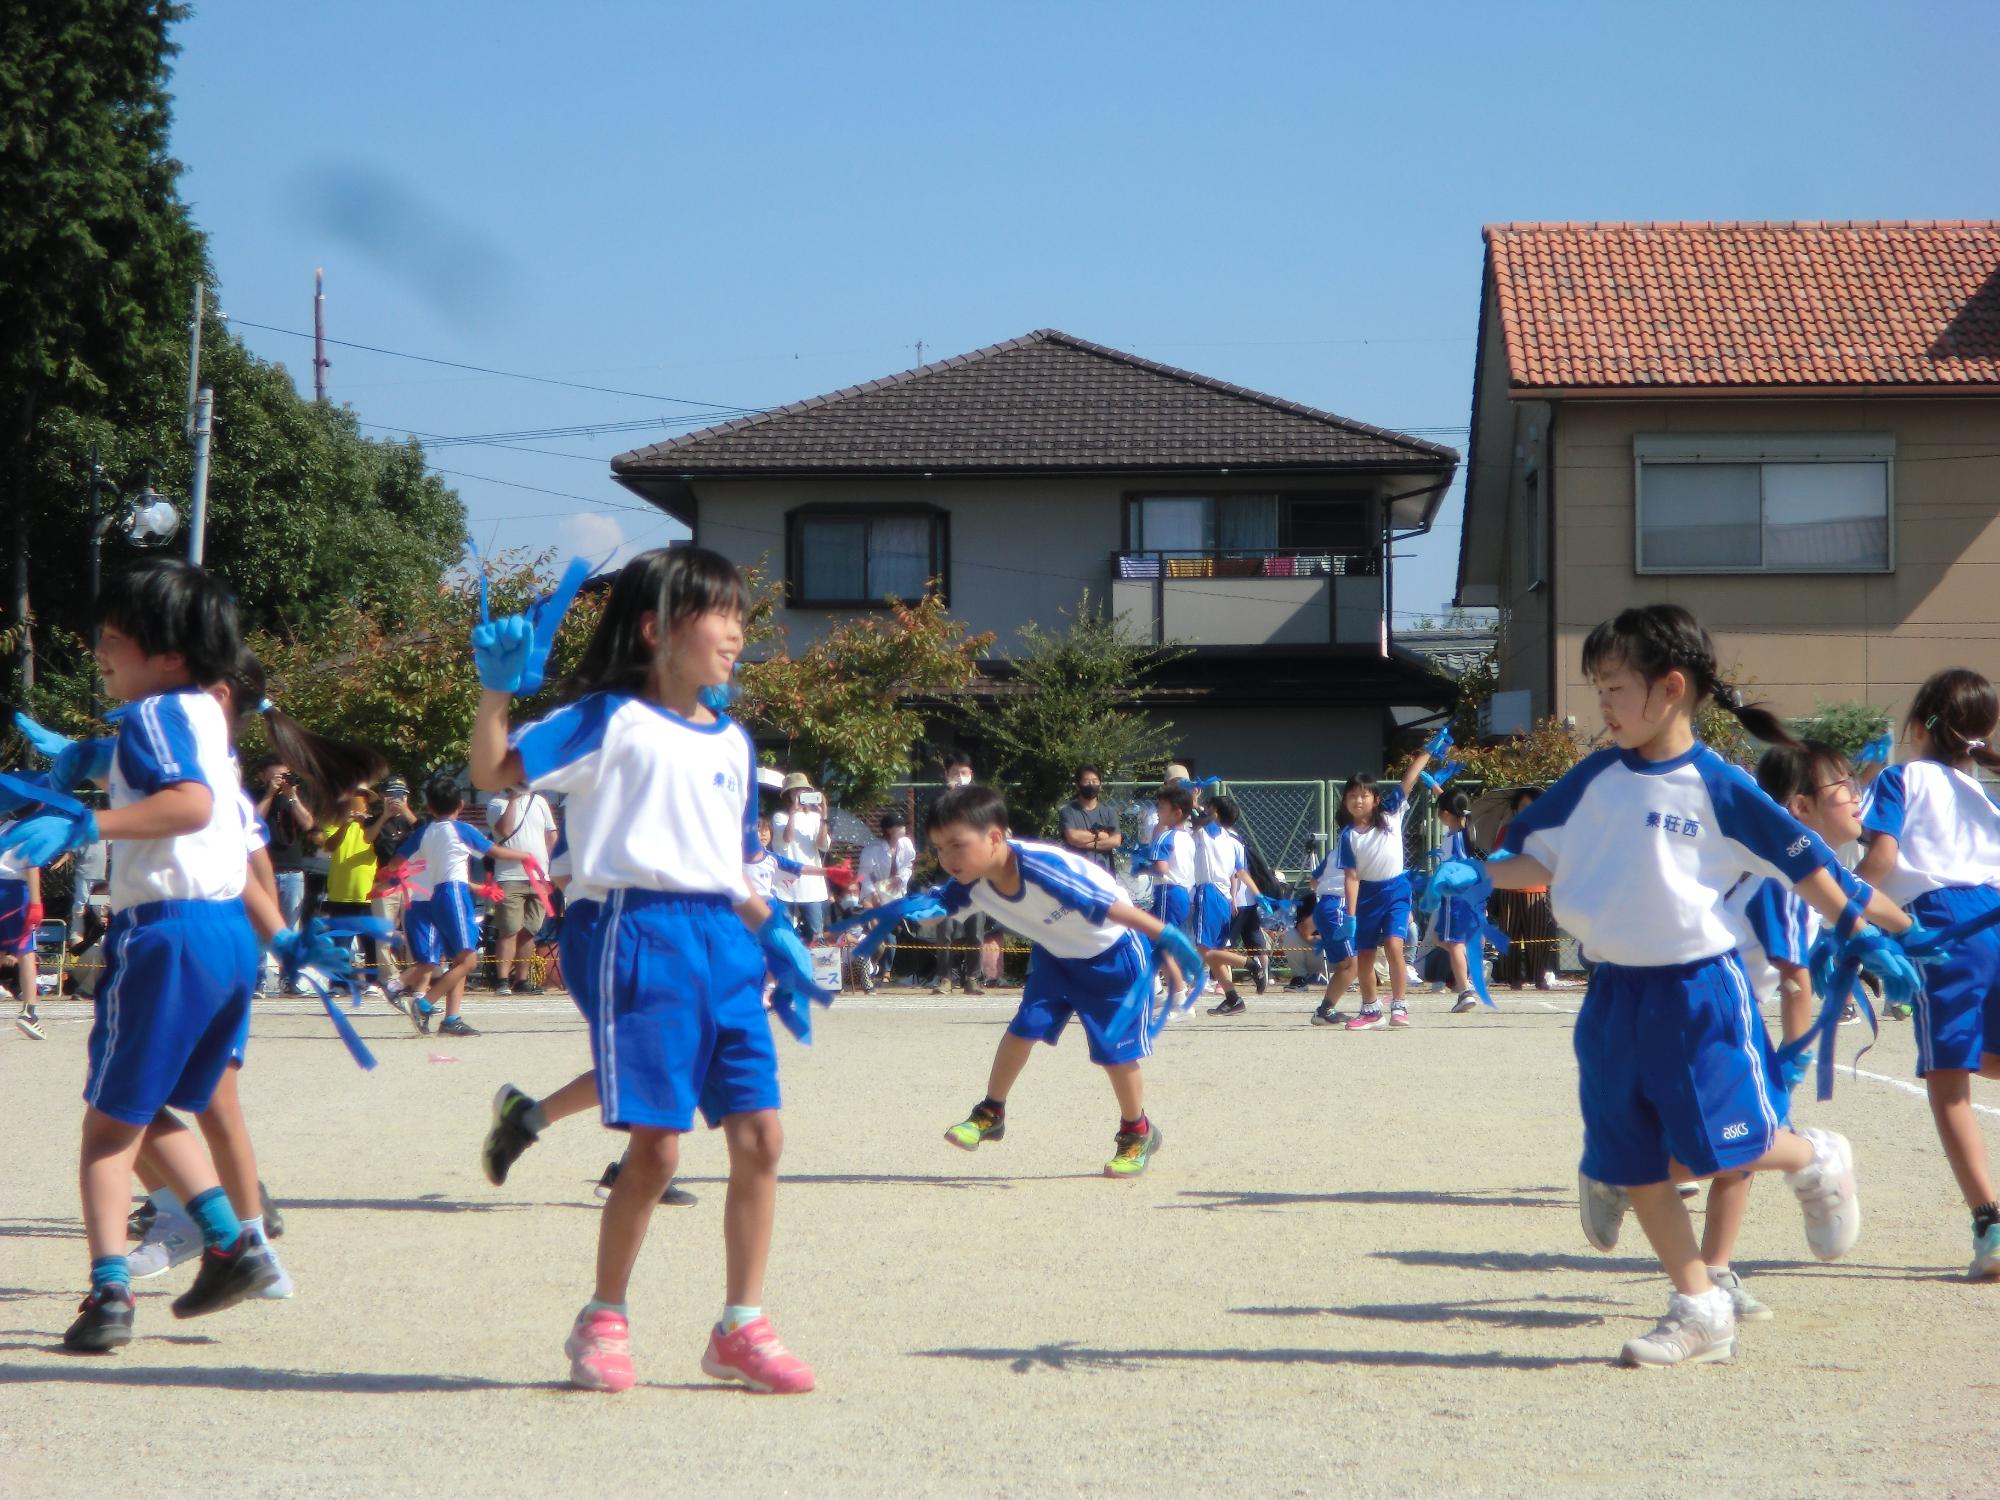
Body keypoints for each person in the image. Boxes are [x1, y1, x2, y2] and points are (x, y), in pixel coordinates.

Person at [1459, 603, 1913, 1367]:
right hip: (1612, 995)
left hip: (1699, 992)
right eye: (1597, 688)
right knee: (1630, 1157)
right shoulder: (1593, 777)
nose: (1600, 705)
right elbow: (1539, 862)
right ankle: (1700, 1306)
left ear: (1671, 689)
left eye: (1612, 688)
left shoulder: (1721, 786)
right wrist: (1476, 874)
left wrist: (1865, 933)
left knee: (1719, 1144)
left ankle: (1813, 1157)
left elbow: (1812, 869)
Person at [470, 544, 823, 1396]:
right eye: (721, 614)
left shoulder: (735, 742)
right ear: (655, 628)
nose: (738, 633)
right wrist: (495, 689)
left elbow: (727, 860)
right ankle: (602, 1318)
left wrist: (773, 931)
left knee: (761, 1137)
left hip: (723, 938)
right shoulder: (605, 718)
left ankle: (741, 1325)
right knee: (657, 1152)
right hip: (635, 929)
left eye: (743, 616)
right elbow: (492, 771)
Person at [6, 560, 289, 1351]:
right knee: (151, 1108)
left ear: (167, 655)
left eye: (114, 639)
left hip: (164, 930)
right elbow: (193, 783)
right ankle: (231, 1243)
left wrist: (86, 823)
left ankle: (109, 1296)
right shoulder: (201, 712)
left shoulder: (153, 713)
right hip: (223, 936)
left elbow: (187, 802)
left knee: (105, 1134)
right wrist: (90, 759)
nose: (99, 649)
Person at [919, 783, 1201, 1177]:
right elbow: (940, 904)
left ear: (995, 837)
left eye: (956, 845)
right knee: (1023, 1028)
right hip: (1056, 956)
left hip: (1112, 956)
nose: (947, 858)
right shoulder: (970, 879)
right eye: (939, 848)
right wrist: (907, 910)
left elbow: (1112, 908)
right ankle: (990, 1112)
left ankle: (1138, 1131)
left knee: (1114, 1054)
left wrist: (1165, 935)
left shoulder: (1041, 868)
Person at [1690, 740, 1868, 1323]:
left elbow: (1862, 908)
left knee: (1733, 1153)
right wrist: (1792, 1061)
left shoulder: (1796, 864)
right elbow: (1794, 982)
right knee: (1740, 1141)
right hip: (1716, 1011)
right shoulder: (1784, 876)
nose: (1856, 795)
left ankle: (1713, 1270)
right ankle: (1818, 1158)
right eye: (1842, 785)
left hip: (1700, 1004)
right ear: (1800, 808)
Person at [1854, 668, 2000, 1279]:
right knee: (1988, 1059)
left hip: (1945, 928)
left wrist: (1839, 896)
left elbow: (1882, 860)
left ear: (1918, 727)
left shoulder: (1901, 777)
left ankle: (1990, 1224)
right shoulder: (1982, 792)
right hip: (1994, 916)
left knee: (1947, 1084)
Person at [398, 777, 533, 1037]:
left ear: (428, 806)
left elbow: (396, 862)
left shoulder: (424, 832)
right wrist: (525, 856)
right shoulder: (461, 828)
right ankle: (424, 1003)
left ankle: (452, 1018)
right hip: (454, 893)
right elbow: (494, 851)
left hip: (437, 894)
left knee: (460, 959)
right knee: (469, 960)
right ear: (461, 804)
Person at [1336, 734, 1442, 1032]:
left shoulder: (1391, 811)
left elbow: (1408, 779)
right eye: (1352, 796)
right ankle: (1371, 1010)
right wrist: (1351, 915)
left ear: (1375, 798)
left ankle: (1399, 1004)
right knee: (1365, 954)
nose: (1358, 800)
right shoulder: (1348, 836)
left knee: (1395, 946)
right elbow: (1351, 877)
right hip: (1367, 895)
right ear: (1346, 801)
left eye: (1364, 795)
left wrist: (1427, 754)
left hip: (1396, 889)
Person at [486, 785, 557, 996]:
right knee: (509, 929)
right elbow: (505, 830)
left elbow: (550, 835)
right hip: (509, 877)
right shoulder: (496, 803)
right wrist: (514, 800)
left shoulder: (540, 801)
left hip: (538, 876)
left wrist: (551, 869)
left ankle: (522, 980)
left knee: (531, 929)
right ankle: (502, 979)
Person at [253, 757, 314, 993]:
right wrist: (269, 793)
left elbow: (309, 824)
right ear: (263, 776)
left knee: (289, 928)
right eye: (276, 776)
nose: (282, 780)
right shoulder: (254, 794)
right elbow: (253, 820)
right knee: (259, 927)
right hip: (262, 869)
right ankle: (258, 980)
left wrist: (292, 796)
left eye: (285, 775)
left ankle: (290, 978)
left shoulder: (294, 797)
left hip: (292, 869)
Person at [1492, 787, 1561, 990]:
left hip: (1537, 889)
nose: (1526, 810)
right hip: (1510, 890)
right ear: (1516, 809)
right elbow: (1497, 857)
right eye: (1522, 807)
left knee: (1538, 936)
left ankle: (1539, 975)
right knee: (1510, 934)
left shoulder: (1545, 832)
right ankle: (1513, 977)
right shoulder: (1506, 830)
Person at [319, 790, 384, 993]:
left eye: (360, 799)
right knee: (340, 942)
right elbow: (329, 845)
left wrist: (366, 821)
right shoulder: (334, 821)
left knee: (371, 942)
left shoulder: (375, 824)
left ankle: (373, 981)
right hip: (340, 893)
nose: (355, 803)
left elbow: (380, 844)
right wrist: (346, 823)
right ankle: (338, 983)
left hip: (367, 892)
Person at [1198, 795, 1254, 1016]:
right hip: (1222, 897)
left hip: (1209, 892)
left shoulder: (1211, 834)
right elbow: (1240, 872)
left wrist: (1193, 803)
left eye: (1209, 809)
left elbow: (1198, 819)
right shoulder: (1233, 841)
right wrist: (1258, 895)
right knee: (1215, 952)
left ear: (1216, 814)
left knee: (1205, 950)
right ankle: (1233, 998)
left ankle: (1249, 964)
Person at [1148, 783, 1198, 1008]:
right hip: (1182, 894)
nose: (1159, 811)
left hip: (1167, 891)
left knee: (1162, 946)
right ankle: (1173, 992)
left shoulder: (1165, 836)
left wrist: (1141, 868)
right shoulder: (1186, 836)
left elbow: (1160, 868)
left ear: (1176, 812)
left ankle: (1178, 996)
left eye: (1162, 808)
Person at [1434, 792, 1484, 1014]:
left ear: (1445, 814)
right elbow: (1456, 806)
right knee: (1452, 939)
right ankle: (1470, 976)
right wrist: (1437, 788)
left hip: (1455, 897)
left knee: (1453, 942)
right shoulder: (1466, 831)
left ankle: (1465, 990)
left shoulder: (1454, 839)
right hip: (1474, 894)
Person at [855, 810, 916, 991]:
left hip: (895, 893)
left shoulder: (906, 844)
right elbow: (864, 875)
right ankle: (869, 970)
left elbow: (908, 865)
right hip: (874, 894)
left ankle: (885, 971)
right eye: (898, 826)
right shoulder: (872, 849)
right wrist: (871, 895)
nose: (903, 828)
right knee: (875, 934)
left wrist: (901, 878)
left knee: (891, 933)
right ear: (889, 830)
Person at [772, 773, 832, 941]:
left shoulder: (814, 818)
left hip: (811, 884)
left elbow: (822, 845)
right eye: (795, 790)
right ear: (788, 795)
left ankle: (816, 967)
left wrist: (824, 816)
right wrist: (792, 814)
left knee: (816, 934)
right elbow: (787, 838)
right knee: (784, 932)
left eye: (804, 790)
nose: (800, 793)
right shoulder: (780, 817)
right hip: (786, 883)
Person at [1, 836, 45, 1038]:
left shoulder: (3, 828)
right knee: (26, 950)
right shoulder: (30, 831)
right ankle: (29, 1013)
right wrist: (36, 904)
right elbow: (32, 865)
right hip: (15, 891)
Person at [1059, 766, 1122, 873]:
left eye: (1094, 781)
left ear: (1100, 785)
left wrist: (1084, 843)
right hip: (1076, 873)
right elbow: (1072, 837)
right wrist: (1099, 835)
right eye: (1086, 782)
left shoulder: (1109, 812)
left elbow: (1116, 841)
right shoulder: (1068, 811)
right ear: (1078, 786)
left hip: (1103, 873)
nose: (1091, 785)